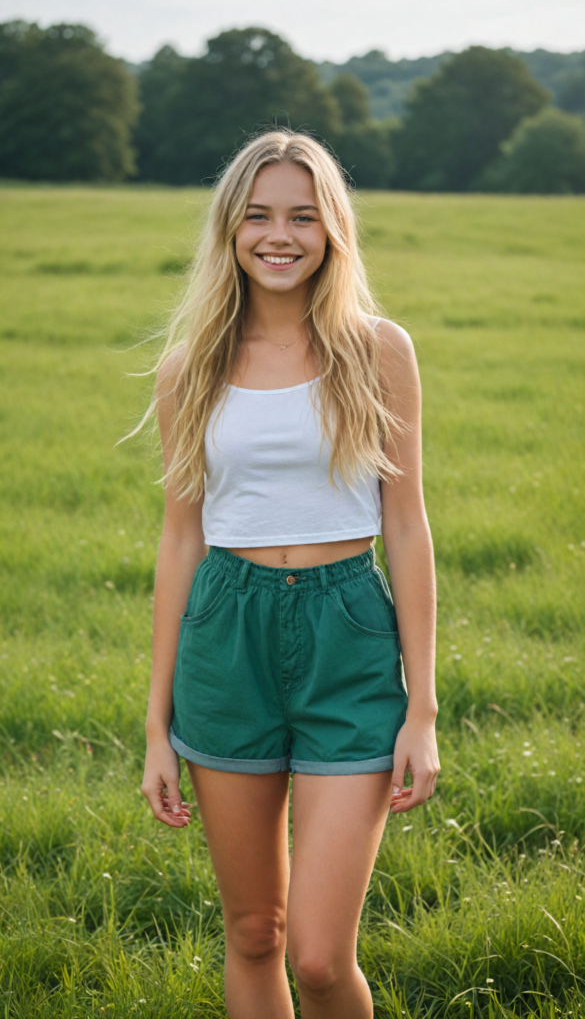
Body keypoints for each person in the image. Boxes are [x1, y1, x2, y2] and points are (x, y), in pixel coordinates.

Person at [140, 128, 440, 1019]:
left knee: (317, 956)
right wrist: (156, 724)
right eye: (259, 216)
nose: (280, 236)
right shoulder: (189, 368)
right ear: (230, 229)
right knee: (253, 933)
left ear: (332, 229)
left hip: (347, 634)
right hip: (225, 636)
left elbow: (405, 524)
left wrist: (421, 709)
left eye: (303, 217)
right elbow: (181, 540)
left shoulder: (376, 349)